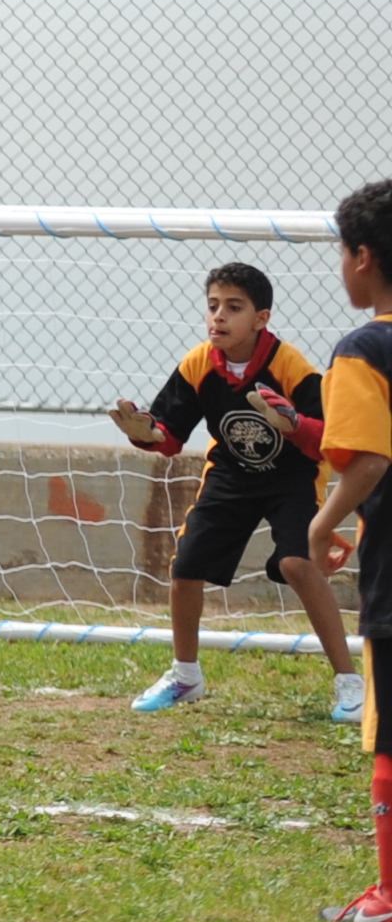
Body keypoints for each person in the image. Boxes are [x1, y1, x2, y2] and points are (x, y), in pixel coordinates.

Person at [109, 262, 360, 720]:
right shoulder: (198, 363)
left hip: (292, 477)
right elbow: (170, 436)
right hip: (231, 473)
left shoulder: (291, 367)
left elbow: (327, 436)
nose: (218, 317)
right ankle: (186, 676)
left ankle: (351, 683)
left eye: (233, 307)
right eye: (212, 306)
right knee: (186, 566)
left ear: (261, 319)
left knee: (298, 563)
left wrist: (294, 424)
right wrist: (142, 430)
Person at [304, 180, 392, 922]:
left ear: (362, 257)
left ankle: (389, 896)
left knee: (389, 733)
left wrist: (322, 523)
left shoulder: (364, 350)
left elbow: (366, 461)